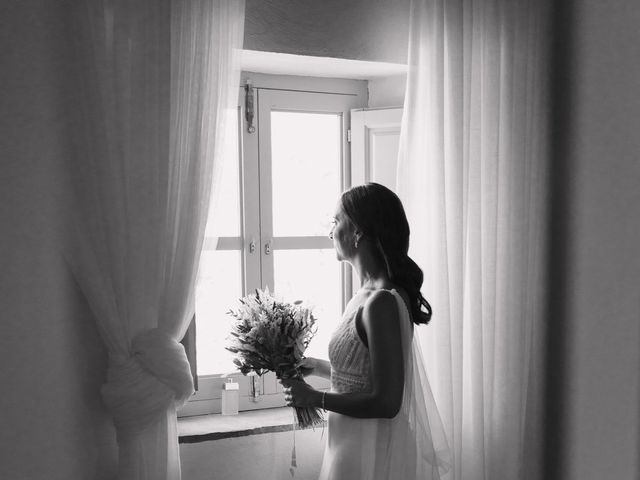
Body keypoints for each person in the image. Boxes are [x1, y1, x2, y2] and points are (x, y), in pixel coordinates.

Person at [281, 183, 450, 480]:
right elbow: (364, 376)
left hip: (369, 446)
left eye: (336, 221)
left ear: (358, 231)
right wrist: (317, 367)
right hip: (348, 440)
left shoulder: (381, 301)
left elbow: (387, 402)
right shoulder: (364, 294)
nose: (331, 232)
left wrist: (313, 399)